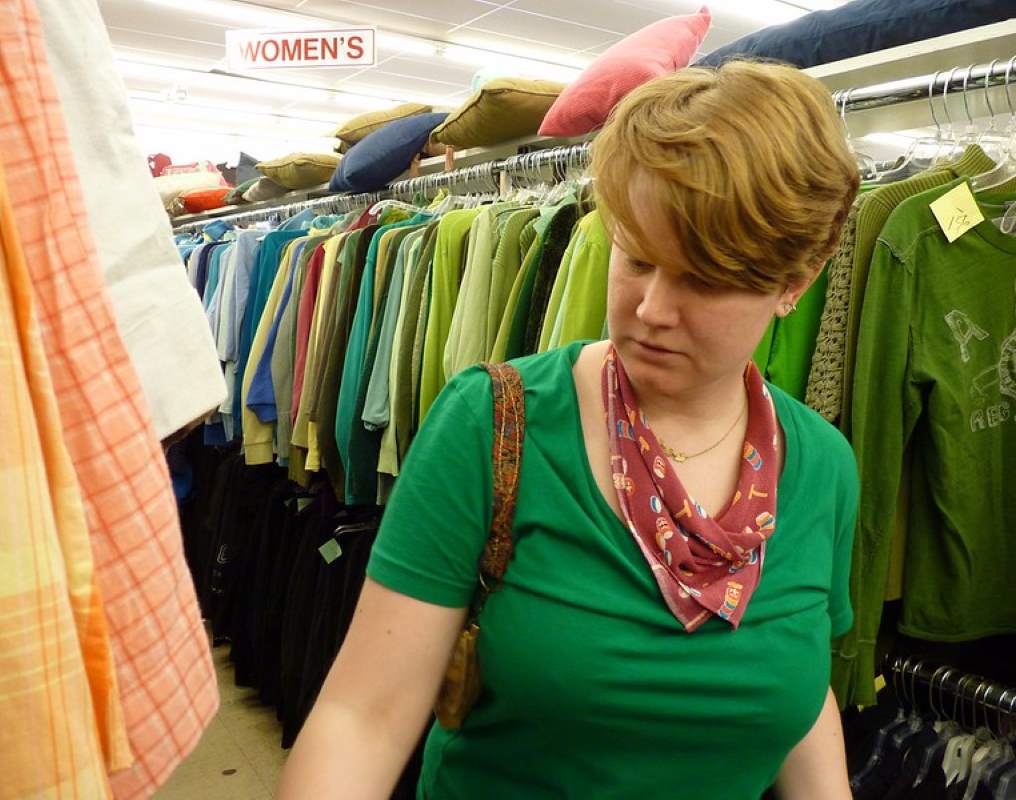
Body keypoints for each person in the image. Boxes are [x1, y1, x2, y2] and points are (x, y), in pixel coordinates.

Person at [278, 60, 860, 800]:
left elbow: (801, 697)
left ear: (794, 282)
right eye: (637, 259)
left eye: (704, 278)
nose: (651, 308)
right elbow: (363, 716)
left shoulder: (820, 467)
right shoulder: (492, 425)